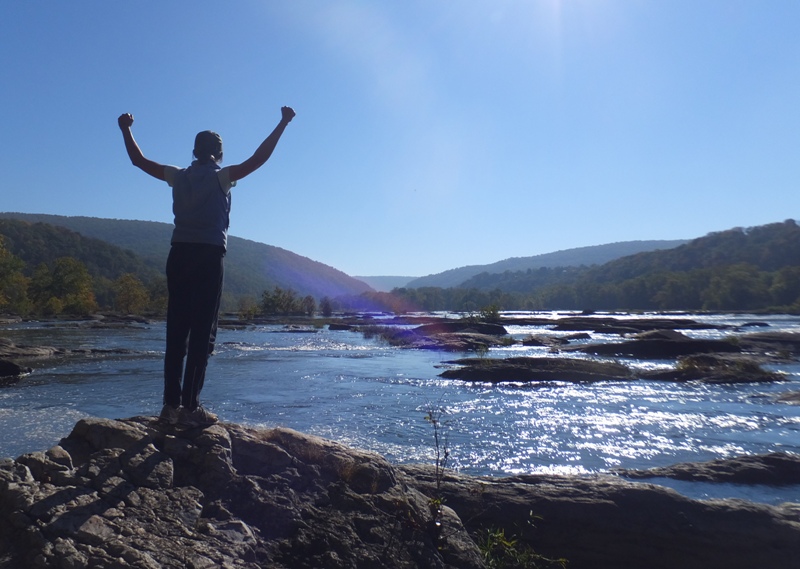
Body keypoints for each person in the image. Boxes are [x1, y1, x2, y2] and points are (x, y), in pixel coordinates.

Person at [118, 106, 296, 426]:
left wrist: (125, 129)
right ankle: (190, 409)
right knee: (203, 333)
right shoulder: (221, 177)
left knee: (177, 332)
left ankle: (170, 407)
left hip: (179, 254)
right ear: (219, 154)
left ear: (195, 152)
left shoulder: (179, 175)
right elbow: (258, 160)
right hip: (209, 256)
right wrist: (282, 123)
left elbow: (138, 161)